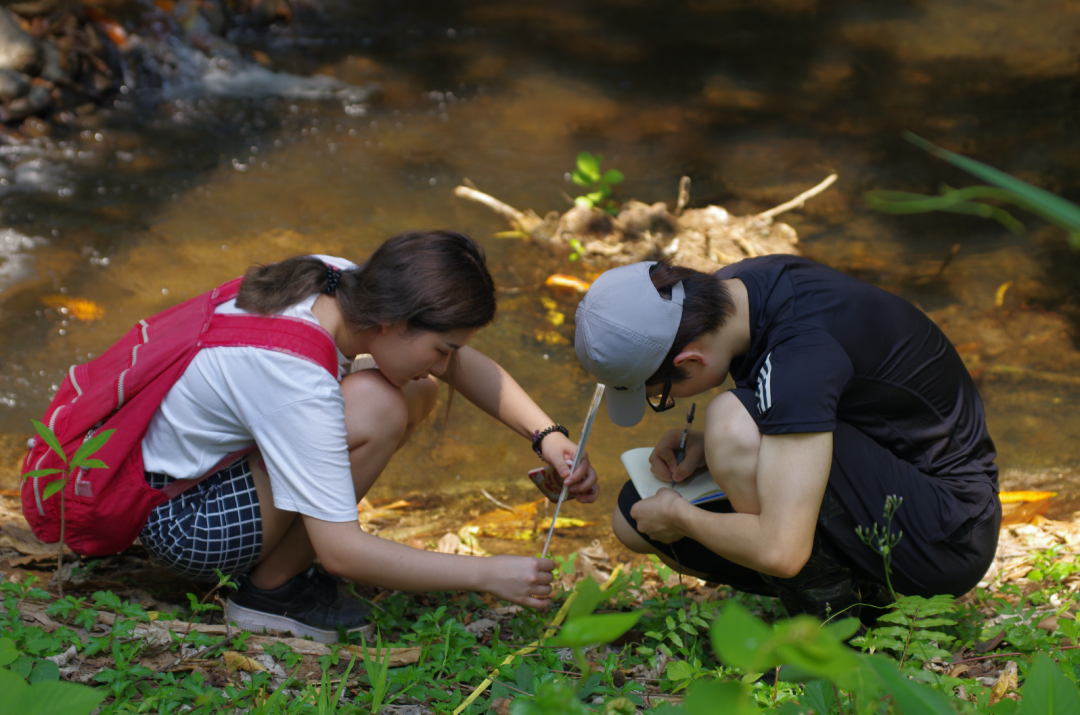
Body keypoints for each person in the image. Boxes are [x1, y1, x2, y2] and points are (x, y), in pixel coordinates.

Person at [136, 230, 597, 642]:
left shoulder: (339, 282)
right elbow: (342, 553)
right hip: (185, 520)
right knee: (378, 404)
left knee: (413, 391)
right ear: (395, 323)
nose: (443, 362)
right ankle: (269, 593)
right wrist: (486, 574)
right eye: (440, 348)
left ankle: (286, 560)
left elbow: (457, 363)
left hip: (200, 474)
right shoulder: (295, 374)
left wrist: (547, 436)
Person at [573, 255, 1000, 619]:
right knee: (633, 516)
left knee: (730, 423)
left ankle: (829, 617)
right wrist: (707, 447)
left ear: (691, 359)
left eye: (660, 394)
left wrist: (682, 518)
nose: (662, 402)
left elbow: (782, 552)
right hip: (889, 473)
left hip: (948, 533)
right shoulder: (741, 289)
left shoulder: (800, 357)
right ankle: (859, 589)